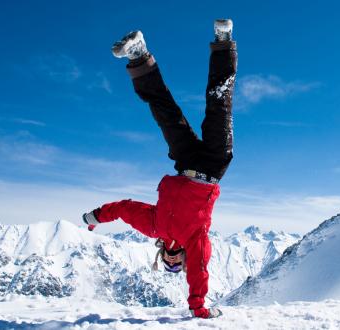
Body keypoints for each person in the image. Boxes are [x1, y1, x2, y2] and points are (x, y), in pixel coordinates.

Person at [81, 19, 237, 319]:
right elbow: (201, 272)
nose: (173, 258)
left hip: (185, 163)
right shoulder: (197, 241)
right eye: (177, 262)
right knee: (219, 102)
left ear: (162, 254)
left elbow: (125, 209)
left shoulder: (154, 226)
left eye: (169, 261)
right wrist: (198, 308)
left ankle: (138, 54)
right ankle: (223, 41)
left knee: (164, 110)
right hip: (213, 167)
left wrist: (96, 217)